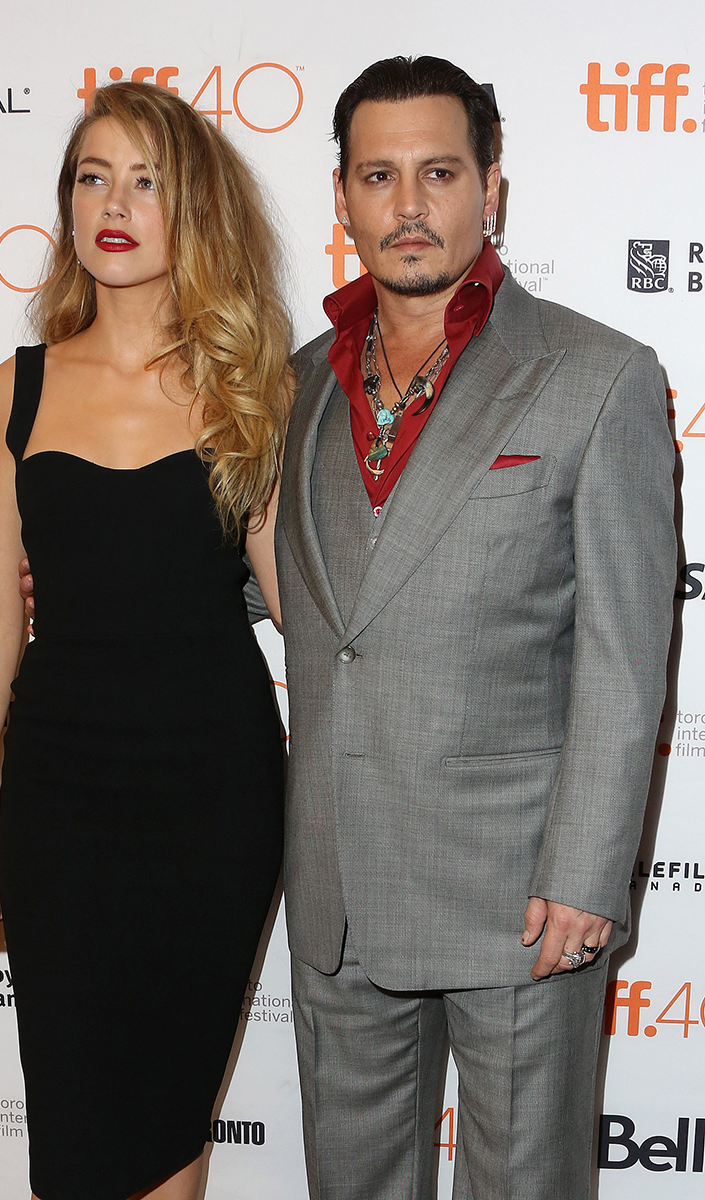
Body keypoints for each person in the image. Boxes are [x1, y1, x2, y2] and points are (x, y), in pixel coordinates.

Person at [274, 57, 676, 1198]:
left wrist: (588, 872)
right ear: (342, 196)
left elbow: (623, 654)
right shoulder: (298, 385)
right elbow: (294, 589)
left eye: (439, 173)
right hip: (338, 884)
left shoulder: (596, 376)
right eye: (378, 176)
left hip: (520, 897)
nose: (408, 206)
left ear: (490, 187)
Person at [0, 81, 290, 1200]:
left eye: (146, 180)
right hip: (62, 798)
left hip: (215, 792)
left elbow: (299, 604)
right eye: (93, 177)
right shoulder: (19, 387)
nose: (115, 203)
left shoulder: (255, 388)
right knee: (79, 1132)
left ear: (195, 208)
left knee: (167, 1123)